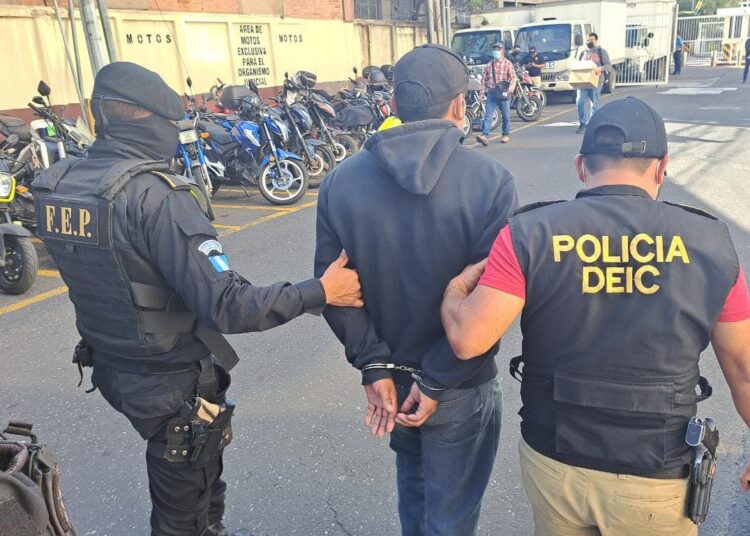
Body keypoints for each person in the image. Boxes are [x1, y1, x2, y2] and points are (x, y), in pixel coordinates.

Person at [31, 62, 363, 536]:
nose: (177, 133)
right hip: (168, 381)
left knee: (195, 482)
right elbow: (227, 305)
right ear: (149, 121)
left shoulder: (59, 183)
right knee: (184, 515)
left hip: (110, 363)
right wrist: (321, 291)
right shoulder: (158, 198)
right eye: (172, 124)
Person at [440, 97, 750, 536]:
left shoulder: (529, 233)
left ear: (580, 167)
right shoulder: (710, 242)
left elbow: (467, 339)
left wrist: (455, 289)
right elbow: (743, 367)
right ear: (663, 167)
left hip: (556, 462)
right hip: (657, 471)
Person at [314, 44, 518, 536]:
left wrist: (374, 364)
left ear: (394, 105)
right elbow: (491, 296)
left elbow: (334, 289)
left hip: (391, 379)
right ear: (459, 104)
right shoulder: (491, 181)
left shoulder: (340, 182)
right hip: (459, 381)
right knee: (451, 514)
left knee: (414, 491)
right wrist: (435, 380)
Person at [477, 42, 517, 146]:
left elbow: (513, 78)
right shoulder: (489, 65)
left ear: (502, 51)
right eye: (495, 49)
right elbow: (484, 81)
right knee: (488, 115)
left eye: (498, 49)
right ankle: (485, 135)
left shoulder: (508, 64)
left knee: (506, 116)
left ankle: (505, 134)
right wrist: (481, 95)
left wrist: (510, 90)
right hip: (492, 93)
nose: (496, 51)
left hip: (504, 93)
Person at [576, 32, 611, 134]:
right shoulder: (583, 53)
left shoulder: (601, 52)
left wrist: (600, 68)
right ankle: (582, 124)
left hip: (596, 82)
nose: (589, 42)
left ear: (596, 41)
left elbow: (608, 66)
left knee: (594, 105)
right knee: (580, 102)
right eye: (588, 40)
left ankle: (592, 124)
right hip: (583, 82)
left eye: (592, 40)